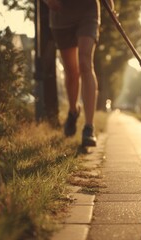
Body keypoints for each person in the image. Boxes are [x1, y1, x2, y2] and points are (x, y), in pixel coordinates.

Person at [42, 0, 114, 147]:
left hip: (88, 10)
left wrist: (110, 5)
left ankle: (89, 127)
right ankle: (73, 111)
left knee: (85, 63)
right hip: (61, 14)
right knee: (71, 71)